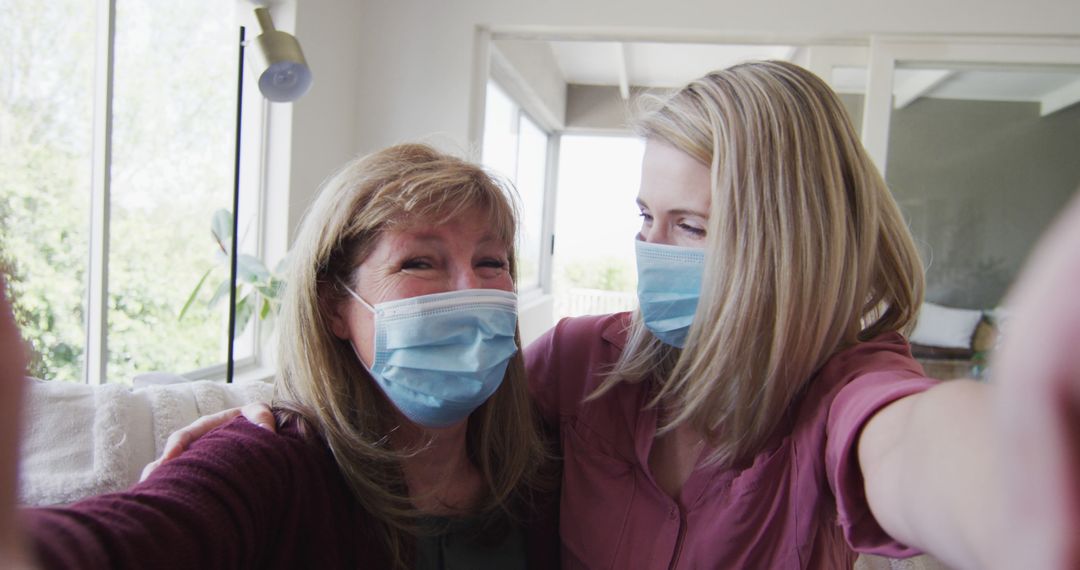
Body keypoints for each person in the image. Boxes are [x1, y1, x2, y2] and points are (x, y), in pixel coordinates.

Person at [138, 60, 1076, 569]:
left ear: (788, 243)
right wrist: (279, 420)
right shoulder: (589, 362)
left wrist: (1027, 484)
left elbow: (914, 447)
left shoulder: (845, 395)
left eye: (692, 227)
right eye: (644, 220)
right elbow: (436, 416)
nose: (651, 255)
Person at [1, 143, 558, 569]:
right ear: (335, 306)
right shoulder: (269, 461)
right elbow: (128, 539)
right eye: (418, 263)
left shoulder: (544, 469)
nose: (465, 290)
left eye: (491, 262)